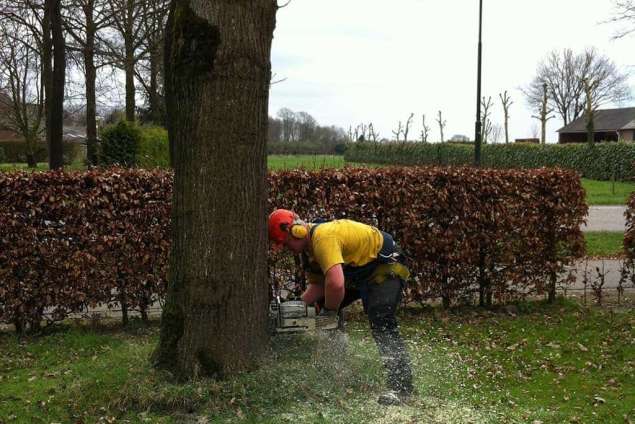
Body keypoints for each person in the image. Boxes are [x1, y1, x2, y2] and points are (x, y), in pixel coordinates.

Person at [268, 208, 414, 405]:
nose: (288, 248)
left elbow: (336, 284)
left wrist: (330, 313)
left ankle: (402, 389)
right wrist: (297, 306)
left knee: (381, 319)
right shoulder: (309, 252)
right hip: (359, 271)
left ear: (297, 230)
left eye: (286, 243)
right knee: (320, 306)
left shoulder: (323, 237)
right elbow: (320, 286)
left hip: (385, 265)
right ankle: (336, 369)